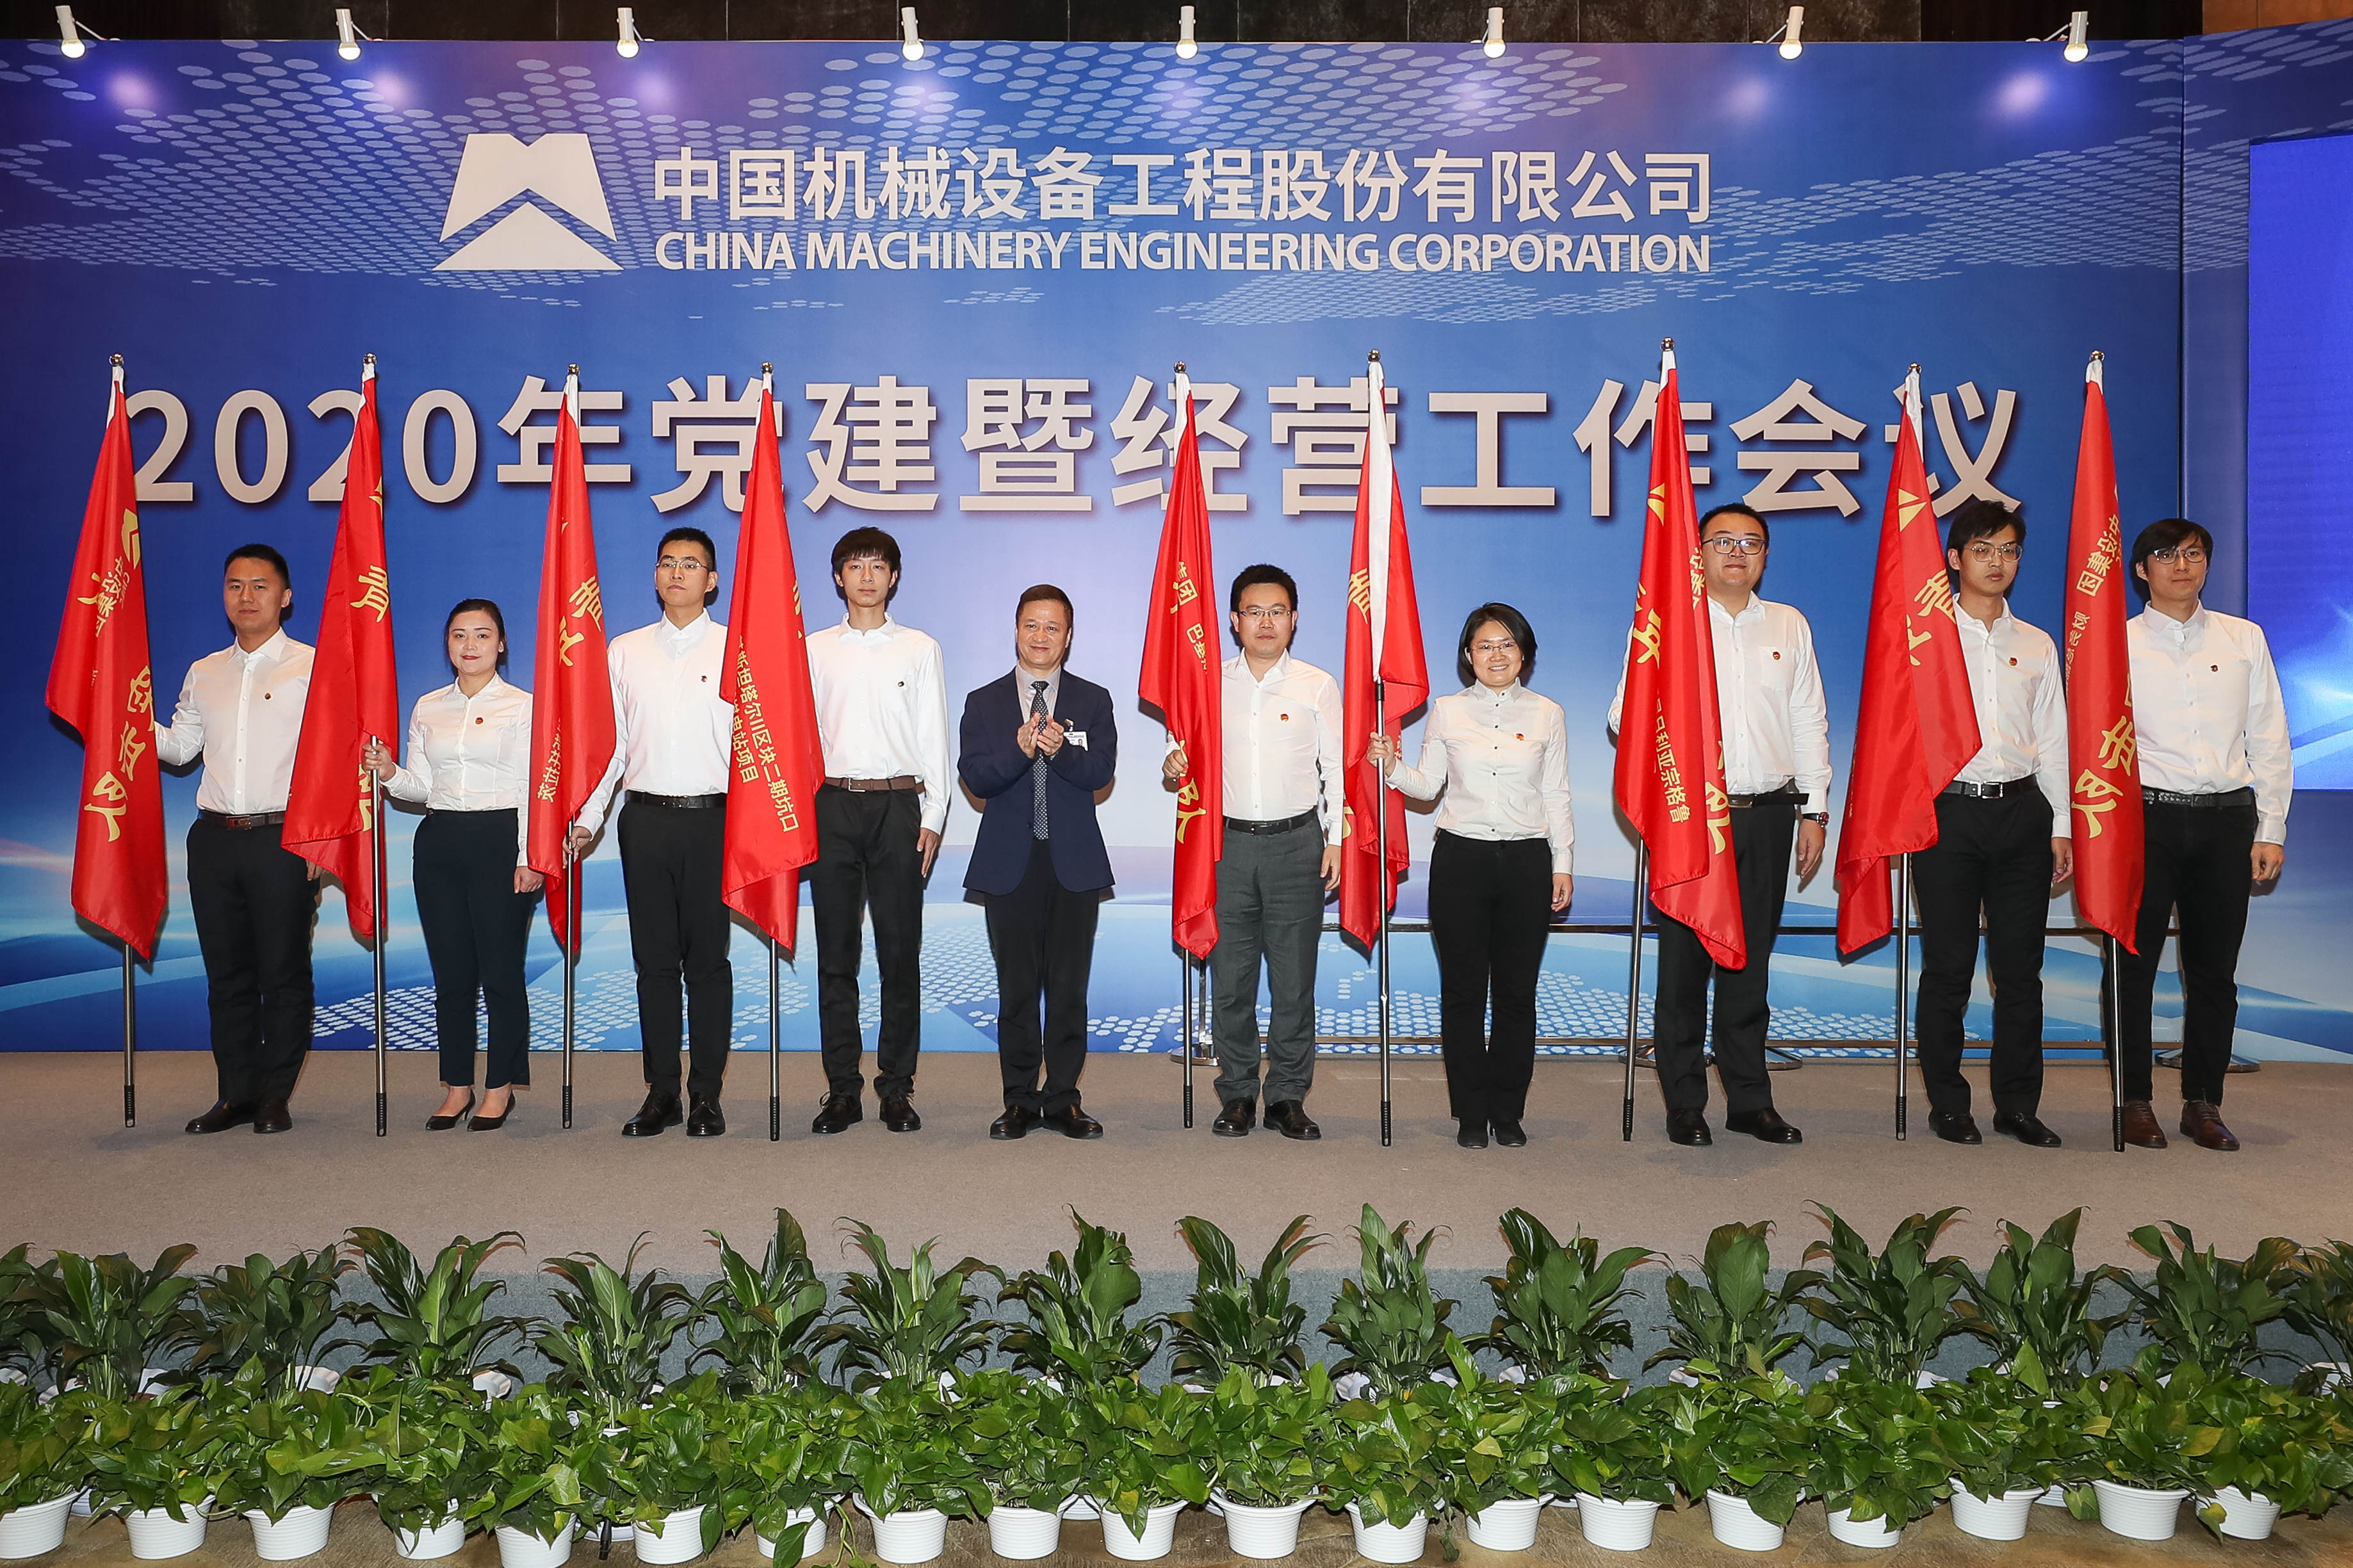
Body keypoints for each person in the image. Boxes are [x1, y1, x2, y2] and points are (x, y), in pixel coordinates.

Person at [1608, 504, 1831, 1147]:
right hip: (1690, 819)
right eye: (1722, 540)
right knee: (1683, 967)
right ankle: (1684, 1102)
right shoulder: (1667, 623)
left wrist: (1815, 808)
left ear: (1765, 555)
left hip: (1767, 814)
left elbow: (1808, 721)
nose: (1736, 552)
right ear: (1697, 552)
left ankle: (1749, 1100)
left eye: (1750, 542)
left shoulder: (1788, 624)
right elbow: (1623, 718)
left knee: (1748, 966)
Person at [2112, 518, 2292, 1152]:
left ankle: (2202, 1102)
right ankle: (2133, 1100)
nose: (2181, 565)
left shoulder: (2244, 639)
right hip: (2144, 819)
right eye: (2165, 555)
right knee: (2131, 968)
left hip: (2225, 819)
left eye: (2193, 554)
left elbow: (2268, 736)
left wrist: (2270, 827)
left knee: (2214, 971)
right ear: (2141, 570)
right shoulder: (2114, 643)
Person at [1368, 602, 1573, 1150]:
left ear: (1524, 652)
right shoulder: (1447, 711)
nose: (1496, 654)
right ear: (1468, 655)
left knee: (1516, 994)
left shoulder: (1548, 713)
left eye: (1507, 644)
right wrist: (1390, 765)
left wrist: (1563, 863)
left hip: (1527, 861)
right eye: (1485, 645)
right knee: (1462, 993)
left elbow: (1556, 794)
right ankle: (1470, 1113)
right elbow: (1427, 785)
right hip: (1461, 861)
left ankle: (1508, 1111)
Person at [1162, 564, 1342, 1142]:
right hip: (1226, 846)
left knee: (1294, 983)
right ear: (1234, 620)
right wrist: (1173, 761)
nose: (1266, 622)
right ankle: (1238, 1092)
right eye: (1254, 612)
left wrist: (1336, 838)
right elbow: (1179, 751)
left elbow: (1336, 770)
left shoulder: (1317, 684)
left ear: (1294, 619)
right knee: (1231, 981)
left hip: (1298, 844)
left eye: (1277, 611)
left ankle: (1287, 1095)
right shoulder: (1208, 681)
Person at [1913, 498, 2072, 1148]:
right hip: (1947, 812)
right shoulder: (1924, 636)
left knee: (2019, 971)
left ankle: (2017, 1105)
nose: (1997, 562)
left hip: (2022, 812)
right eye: (1982, 550)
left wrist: (2060, 823)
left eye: (2008, 550)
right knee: (1948, 967)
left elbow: (2054, 740)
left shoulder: (2035, 643)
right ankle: (1948, 1103)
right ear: (1954, 559)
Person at [574, 528, 735, 1138]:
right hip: (643, 821)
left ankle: (707, 1094)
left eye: (691, 564)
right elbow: (611, 748)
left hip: (713, 822)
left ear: (711, 581)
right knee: (654, 963)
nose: (677, 572)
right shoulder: (625, 650)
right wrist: (589, 817)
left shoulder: (736, 647)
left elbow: (755, 747)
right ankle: (662, 1090)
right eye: (667, 562)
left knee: (708, 964)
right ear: (655, 575)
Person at [156, 544, 318, 1136]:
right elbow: (181, 748)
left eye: (259, 585)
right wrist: (122, 716)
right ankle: (235, 1094)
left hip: (284, 839)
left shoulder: (313, 666)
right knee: (226, 976)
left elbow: (332, 764)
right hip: (214, 840)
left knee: (283, 973)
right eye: (234, 585)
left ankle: (275, 1096)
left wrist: (321, 842)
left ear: (286, 597)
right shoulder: (205, 671)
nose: (246, 597)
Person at [363, 599, 542, 1131]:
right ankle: (457, 1085)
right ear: (447, 643)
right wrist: (390, 771)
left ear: (501, 645)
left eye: (483, 635)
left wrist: (529, 855)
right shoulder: (428, 707)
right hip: (439, 841)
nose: (470, 645)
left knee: (501, 972)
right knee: (452, 973)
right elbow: (421, 788)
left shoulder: (524, 706)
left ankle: (500, 1087)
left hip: (500, 840)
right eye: (459, 634)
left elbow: (531, 787)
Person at [804, 527, 952, 1135]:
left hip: (898, 809)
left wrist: (934, 814)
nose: (867, 576)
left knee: (899, 954)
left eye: (878, 565)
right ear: (838, 576)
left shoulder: (919, 648)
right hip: (831, 806)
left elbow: (934, 735)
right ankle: (842, 1088)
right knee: (836, 957)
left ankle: (896, 1086)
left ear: (894, 576)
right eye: (855, 565)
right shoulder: (813, 649)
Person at [957, 585, 1118, 1141]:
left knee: (1070, 989)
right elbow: (977, 777)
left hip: (1073, 863)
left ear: (1068, 637)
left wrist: (1060, 749)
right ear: (1016, 630)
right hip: (1010, 863)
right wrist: (1021, 749)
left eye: (1053, 627)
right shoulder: (984, 701)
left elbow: (1101, 771)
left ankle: (1064, 1098)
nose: (1041, 636)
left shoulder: (1093, 699)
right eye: (1032, 625)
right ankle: (1020, 1099)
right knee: (1017, 989)